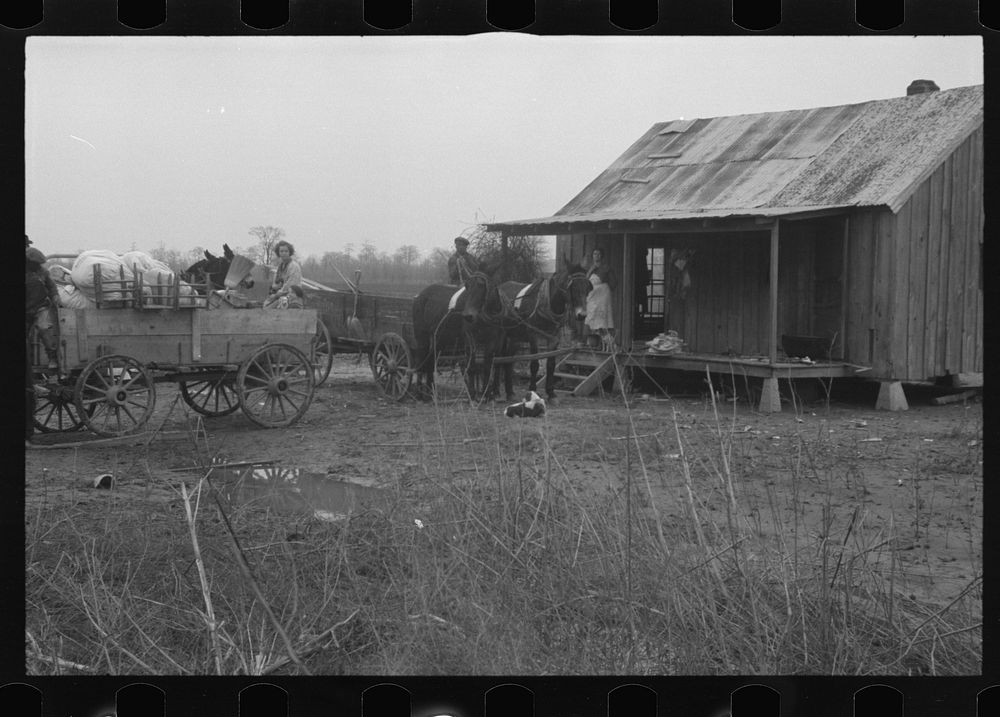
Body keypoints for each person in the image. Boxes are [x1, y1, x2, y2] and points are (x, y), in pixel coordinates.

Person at [26, 247, 60, 370]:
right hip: (26, 309)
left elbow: (51, 286)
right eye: (36, 264)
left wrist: (55, 295)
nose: (38, 266)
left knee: (44, 327)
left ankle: (52, 357)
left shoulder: (43, 272)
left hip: (41, 307)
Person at [584, 247, 616, 350]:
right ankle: (595, 345)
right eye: (594, 254)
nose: (596, 256)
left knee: (602, 322)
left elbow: (613, 283)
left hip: (602, 297)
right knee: (592, 319)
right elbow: (586, 281)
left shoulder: (606, 268)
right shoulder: (591, 268)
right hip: (592, 297)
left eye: (598, 254)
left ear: (601, 256)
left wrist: (603, 287)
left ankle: (608, 346)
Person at [264, 240, 303, 308]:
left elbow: (291, 285)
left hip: (292, 297)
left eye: (286, 251)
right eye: (281, 251)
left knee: (268, 309)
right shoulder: (280, 267)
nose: (283, 253)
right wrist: (274, 291)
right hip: (280, 295)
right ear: (278, 253)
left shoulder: (294, 266)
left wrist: (277, 294)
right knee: (265, 305)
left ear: (289, 252)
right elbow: (275, 283)